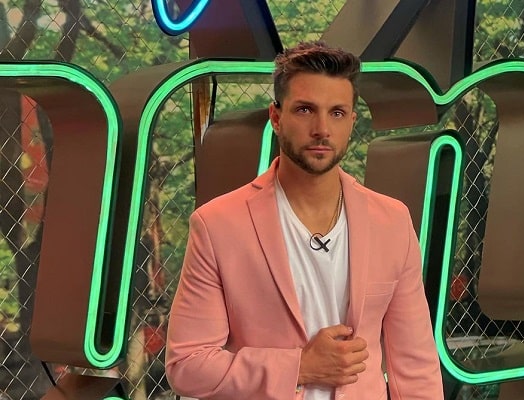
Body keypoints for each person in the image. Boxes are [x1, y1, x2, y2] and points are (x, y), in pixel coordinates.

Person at [166, 41, 443, 400]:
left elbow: (416, 367)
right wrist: (299, 366)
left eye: (337, 113)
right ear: (276, 117)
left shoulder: (391, 221)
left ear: (352, 122)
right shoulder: (218, 225)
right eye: (305, 110)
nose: (322, 129)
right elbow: (187, 365)